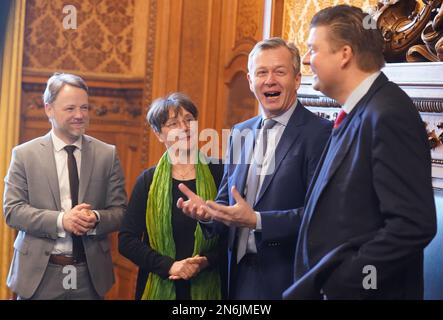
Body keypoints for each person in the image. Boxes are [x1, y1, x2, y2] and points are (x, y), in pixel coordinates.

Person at [178, 38, 332, 299]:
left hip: (287, 280)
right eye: (262, 72)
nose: (270, 80)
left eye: (279, 71)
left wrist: (258, 221)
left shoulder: (321, 134)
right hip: (234, 278)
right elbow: (227, 201)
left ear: (296, 79)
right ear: (250, 81)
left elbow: (321, 217)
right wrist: (208, 213)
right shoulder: (240, 132)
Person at [3, 73, 127, 300]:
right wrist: (62, 220)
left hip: (89, 276)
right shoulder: (24, 155)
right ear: (48, 109)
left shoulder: (107, 155)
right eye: (70, 109)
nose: (80, 115)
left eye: (85, 108)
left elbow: (120, 212)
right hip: (40, 275)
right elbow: (12, 211)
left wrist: (96, 218)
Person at [118, 93, 226, 300]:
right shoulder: (147, 181)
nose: (184, 128)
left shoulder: (221, 172)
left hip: (211, 283)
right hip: (161, 283)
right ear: (159, 134)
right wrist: (170, 266)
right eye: (173, 123)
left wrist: (207, 261)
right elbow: (126, 240)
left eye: (189, 120)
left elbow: (235, 235)